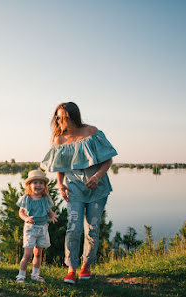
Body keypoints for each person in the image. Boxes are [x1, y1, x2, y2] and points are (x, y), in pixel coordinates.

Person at [41, 102, 117, 284]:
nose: (58, 120)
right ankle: (71, 268)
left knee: (92, 228)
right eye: (57, 117)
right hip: (74, 188)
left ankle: (86, 266)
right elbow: (59, 166)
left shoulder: (92, 132)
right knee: (73, 227)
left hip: (97, 189)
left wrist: (97, 177)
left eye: (62, 116)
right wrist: (60, 184)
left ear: (71, 116)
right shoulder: (59, 140)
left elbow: (108, 161)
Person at [15, 170, 58, 283]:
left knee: (38, 253)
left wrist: (52, 215)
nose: (38, 185)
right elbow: (21, 213)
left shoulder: (45, 199)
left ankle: (35, 275)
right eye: (35, 182)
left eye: (41, 183)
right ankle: (21, 275)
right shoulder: (26, 198)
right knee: (27, 254)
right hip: (30, 229)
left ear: (44, 186)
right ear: (30, 185)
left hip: (43, 228)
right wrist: (26, 218)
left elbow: (49, 211)